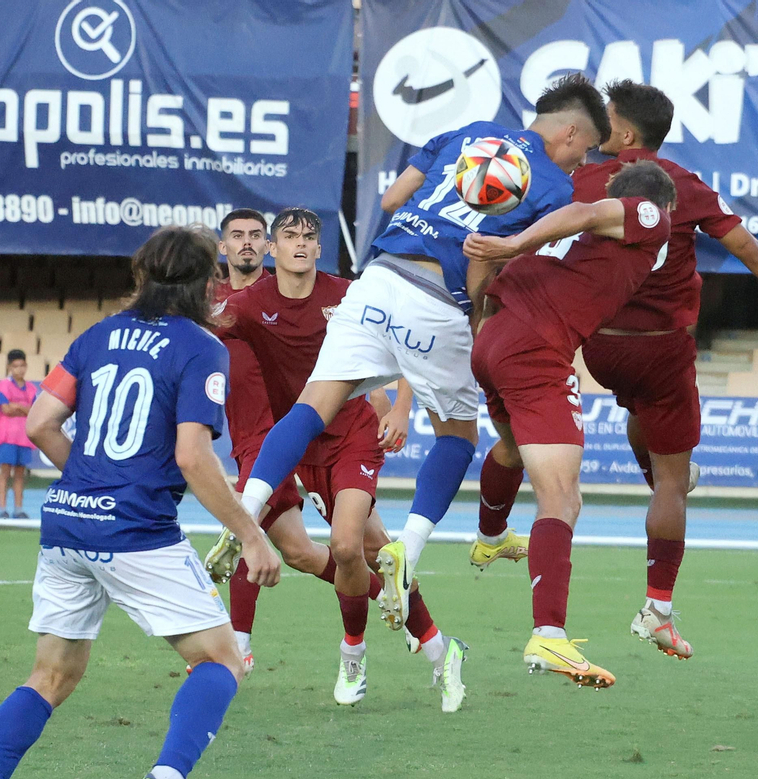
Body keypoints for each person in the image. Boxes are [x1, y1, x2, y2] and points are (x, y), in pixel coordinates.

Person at [473, 80, 758, 661]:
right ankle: (658, 611)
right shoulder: (680, 187)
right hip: (661, 348)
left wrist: (495, 271)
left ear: (623, 134)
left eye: (607, 120)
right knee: (673, 479)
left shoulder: (582, 179)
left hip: (597, 347)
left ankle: (490, 534)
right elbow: (751, 252)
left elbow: (547, 227)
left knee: (577, 426)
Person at [0, 226, 281, 779]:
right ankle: (169, 778)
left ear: (142, 275)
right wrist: (251, 535)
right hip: (136, 529)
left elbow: (41, 423)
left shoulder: (96, 336)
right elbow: (193, 457)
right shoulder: (202, 347)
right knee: (221, 660)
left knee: (51, 674)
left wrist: (90, 483)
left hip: (67, 520)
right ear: (206, 284)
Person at [235, 74, 610, 629]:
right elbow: (487, 260)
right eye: (587, 149)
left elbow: (391, 200)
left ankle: (244, 512)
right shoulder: (555, 188)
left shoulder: (466, 133)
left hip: (378, 278)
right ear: (572, 132)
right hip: (437, 299)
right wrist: (473, 316)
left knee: (313, 406)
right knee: (458, 437)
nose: (582, 162)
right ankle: (407, 548)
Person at [213, 208, 468, 712]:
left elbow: (407, 338)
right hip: (299, 443)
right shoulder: (246, 306)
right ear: (273, 249)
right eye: (290, 236)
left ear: (319, 248)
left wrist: (400, 406)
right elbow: (196, 329)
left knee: (347, 545)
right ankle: (441, 648)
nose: (300, 244)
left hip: (352, 433)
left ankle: (352, 655)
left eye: (309, 236)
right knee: (375, 552)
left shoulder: (350, 293)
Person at [463, 159, 676, 688]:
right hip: (535, 348)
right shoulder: (650, 216)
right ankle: (549, 635)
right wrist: (513, 245)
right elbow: (586, 210)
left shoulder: (565, 238)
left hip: (492, 338)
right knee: (562, 499)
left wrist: (482, 318)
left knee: (513, 448)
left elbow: (485, 272)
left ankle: (490, 535)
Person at [0, 349, 38, 519]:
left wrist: (17, 406)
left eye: (22, 365)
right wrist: (23, 408)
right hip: (7, 436)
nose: (19, 369)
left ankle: (18, 509)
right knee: (5, 472)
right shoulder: (4, 385)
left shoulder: (31, 389)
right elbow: (5, 409)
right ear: (9, 367)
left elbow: (33, 411)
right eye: (15, 366)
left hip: (24, 437)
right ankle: (2, 509)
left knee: (20, 474)